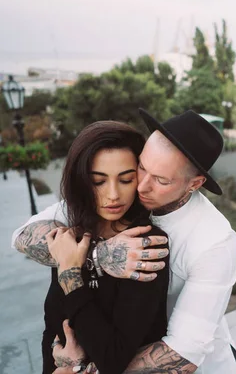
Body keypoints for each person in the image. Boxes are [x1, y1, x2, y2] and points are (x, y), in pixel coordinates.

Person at [12, 109, 236, 373]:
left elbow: (184, 353)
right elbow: (22, 235)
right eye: (142, 167)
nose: (141, 186)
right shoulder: (117, 196)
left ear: (195, 183)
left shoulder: (214, 240)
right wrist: (99, 255)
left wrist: (82, 369)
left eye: (161, 180)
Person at [41, 121, 170, 373]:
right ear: (81, 182)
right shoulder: (74, 235)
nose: (113, 195)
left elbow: (113, 358)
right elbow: (52, 327)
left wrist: (71, 277)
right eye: (98, 181)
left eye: (126, 179)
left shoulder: (145, 245)